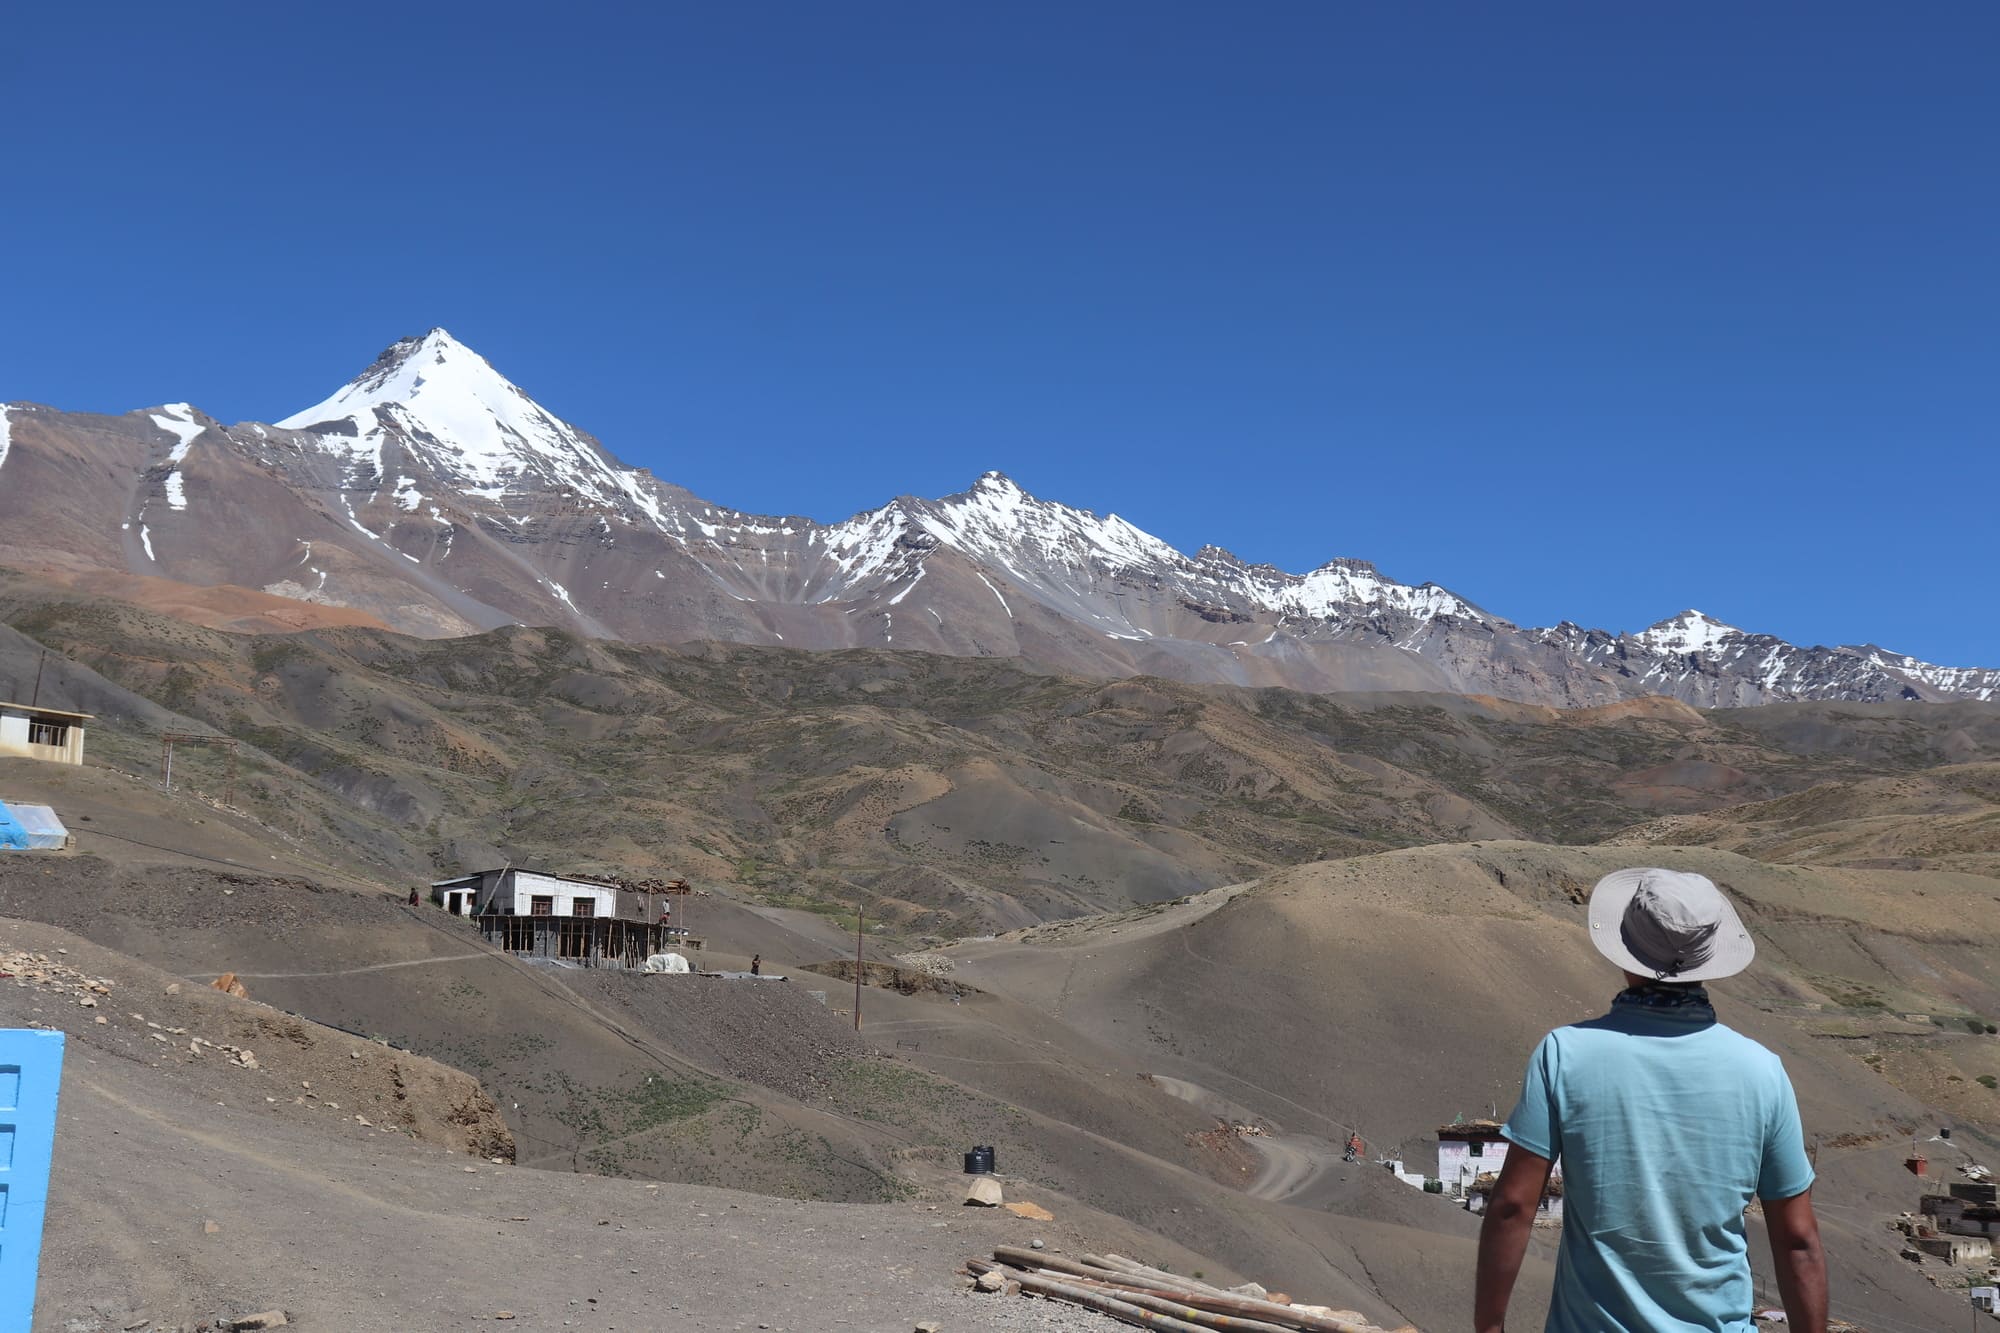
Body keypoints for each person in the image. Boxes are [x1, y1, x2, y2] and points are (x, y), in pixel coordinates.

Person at [1475, 867, 1827, 1333]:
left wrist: (1489, 1327)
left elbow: (1512, 1207)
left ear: (1627, 953)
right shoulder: (1762, 1071)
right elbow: (1798, 1240)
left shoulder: (1565, 1054)